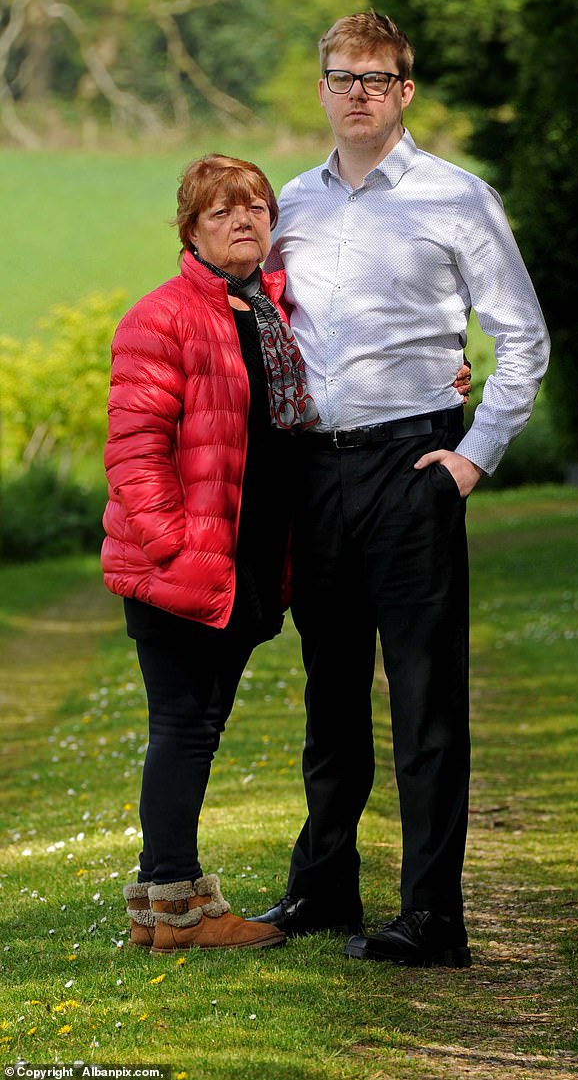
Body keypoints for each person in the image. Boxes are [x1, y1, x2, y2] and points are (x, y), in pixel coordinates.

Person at [250, 11, 551, 967]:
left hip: (415, 466)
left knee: (424, 698)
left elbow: (523, 337)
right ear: (324, 88)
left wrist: (475, 454)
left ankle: (434, 914)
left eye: (377, 79)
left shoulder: (458, 198)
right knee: (328, 691)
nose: (359, 93)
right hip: (316, 470)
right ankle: (325, 885)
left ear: (404, 92)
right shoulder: (289, 202)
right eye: (343, 77)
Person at [101, 153, 321, 954]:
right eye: (221, 211)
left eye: (256, 208)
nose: (242, 222)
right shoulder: (162, 318)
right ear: (190, 229)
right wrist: (178, 548)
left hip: (248, 564)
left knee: (199, 726)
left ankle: (166, 903)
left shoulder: (271, 313)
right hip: (184, 569)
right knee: (184, 728)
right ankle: (177, 910)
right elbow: (133, 454)